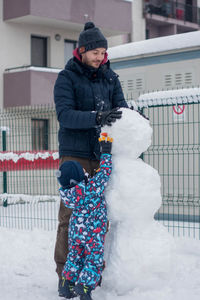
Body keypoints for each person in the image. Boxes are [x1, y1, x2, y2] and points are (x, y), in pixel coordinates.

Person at [54, 21, 128, 292]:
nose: (100, 58)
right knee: (70, 218)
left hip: (102, 153)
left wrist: (133, 119)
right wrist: (97, 117)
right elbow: (65, 115)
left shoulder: (111, 77)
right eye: (95, 52)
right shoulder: (67, 77)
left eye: (103, 53)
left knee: (99, 217)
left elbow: (122, 109)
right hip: (74, 156)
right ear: (82, 51)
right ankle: (65, 275)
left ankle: (90, 275)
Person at [56, 133, 113, 300]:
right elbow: (105, 172)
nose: (84, 170)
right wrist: (106, 153)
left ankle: (66, 283)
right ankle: (85, 287)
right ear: (78, 177)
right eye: (81, 170)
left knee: (74, 256)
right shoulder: (92, 188)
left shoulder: (69, 194)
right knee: (93, 260)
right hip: (92, 232)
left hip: (76, 231)